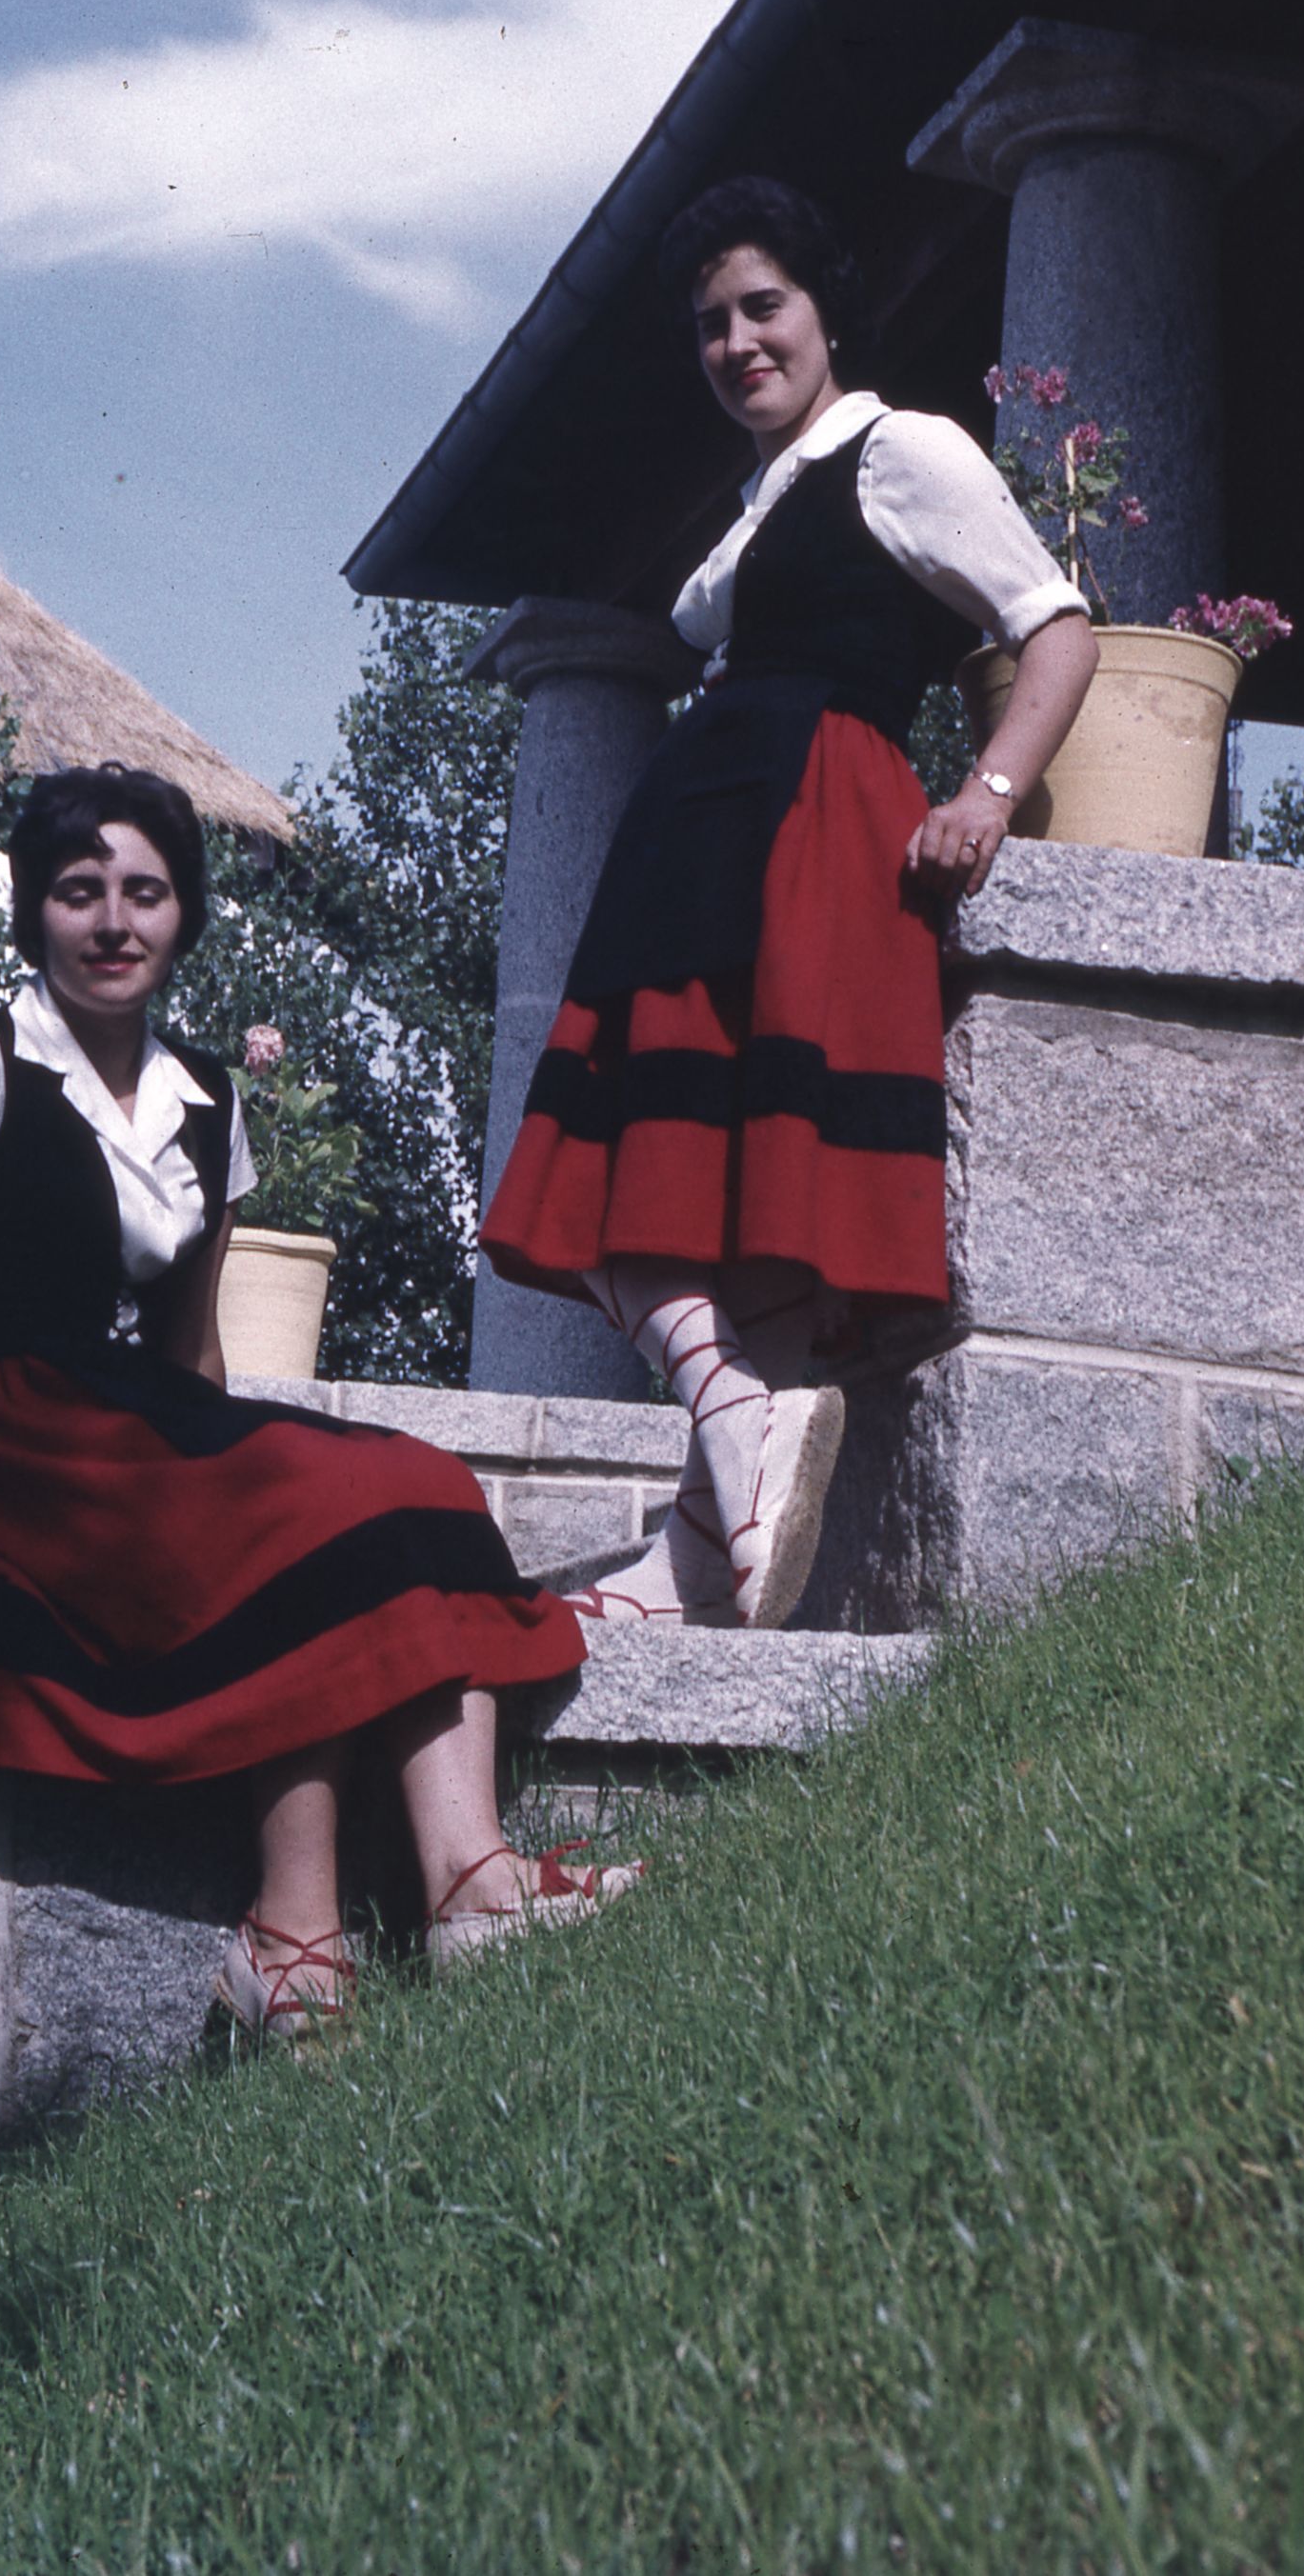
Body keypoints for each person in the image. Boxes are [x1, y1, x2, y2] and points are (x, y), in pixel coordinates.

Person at [0, 765, 633, 2038]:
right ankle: (295, 1932)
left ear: (183, 915)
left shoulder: (208, 1101)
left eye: (143, 893)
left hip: (118, 1429)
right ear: (34, 911)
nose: (111, 921)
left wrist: (239, 1467)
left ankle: (470, 1888)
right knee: (299, 1507)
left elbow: (188, 1353)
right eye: (78, 891)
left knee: (412, 1482)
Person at [480, 178, 1098, 1631]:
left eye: (765, 307)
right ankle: (702, 1553)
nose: (739, 343)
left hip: (803, 824)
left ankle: (732, 1414)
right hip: (709, 832)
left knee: (612, 1182)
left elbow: (1055, 626)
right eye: (712, 324)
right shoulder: (763, 497)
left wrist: (988, 793)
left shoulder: (900, 450)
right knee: (690, 1188)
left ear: (827, 313)